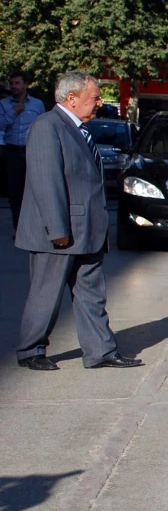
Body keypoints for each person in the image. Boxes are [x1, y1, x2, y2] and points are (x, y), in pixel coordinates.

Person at [13, 71, 142, 371]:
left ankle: (101, 350)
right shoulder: (47, 126)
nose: (99, 103)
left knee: (91, 294)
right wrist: (57, 230)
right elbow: (47, 182)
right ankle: (31, 350)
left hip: (87, 230)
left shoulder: (79, 129)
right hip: (59, 231)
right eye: (94, 97)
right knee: (46, 294)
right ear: (71, 99)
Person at [1, 71, 46, 231]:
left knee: (34, 189)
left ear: (26, 85)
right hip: (12, 151)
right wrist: (14, 112)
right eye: (12, 83)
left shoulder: (37, 104)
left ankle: (34, 226)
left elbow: (43, 126)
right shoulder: (4, 104)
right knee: (14, 191)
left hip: (32, 151)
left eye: (17, 83)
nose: (14, 86)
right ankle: (18, 227)